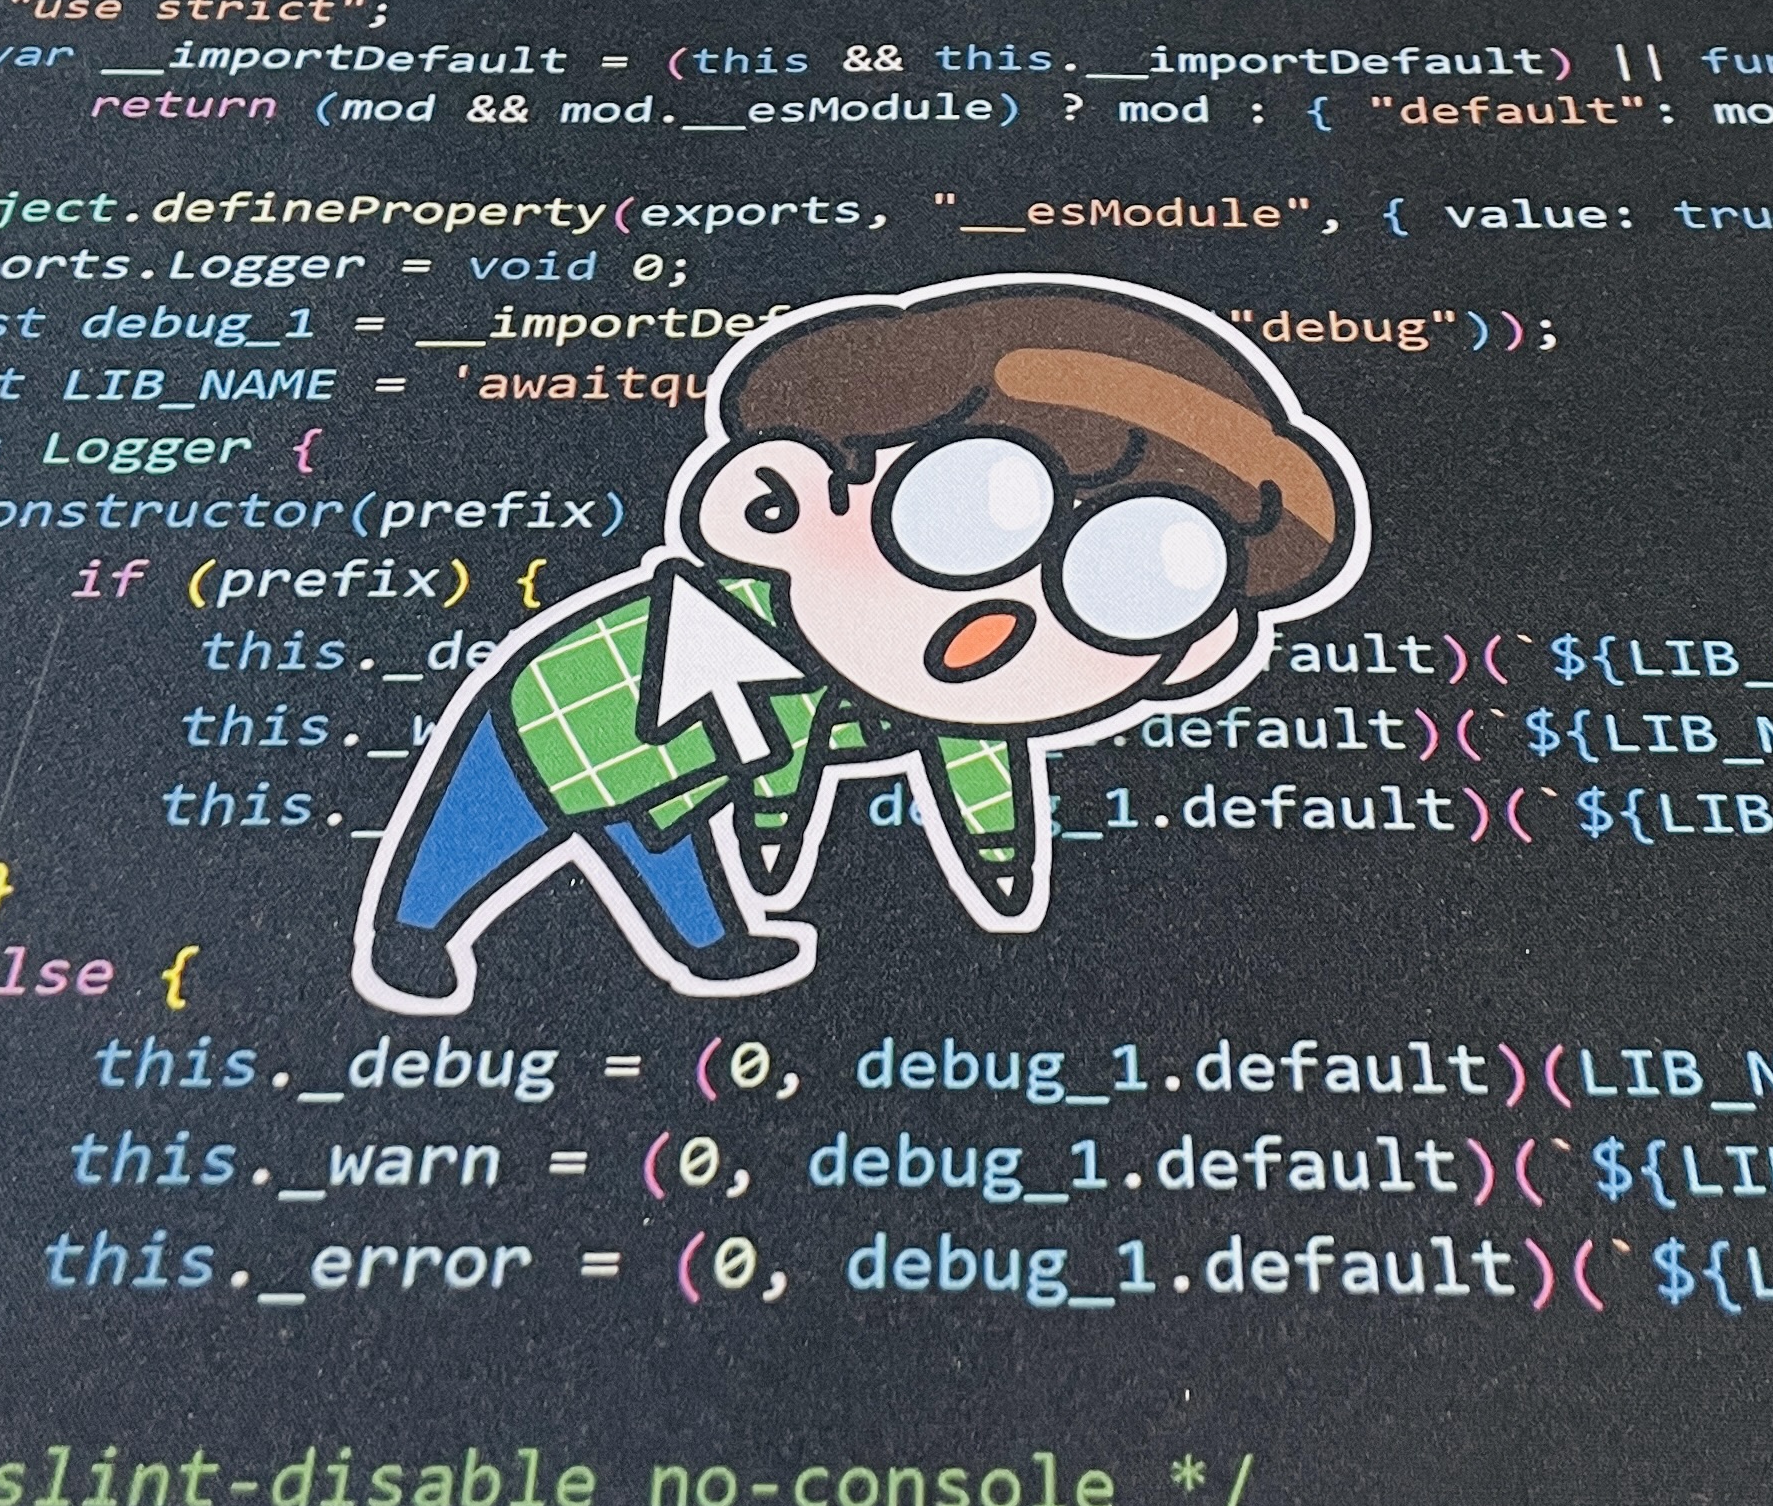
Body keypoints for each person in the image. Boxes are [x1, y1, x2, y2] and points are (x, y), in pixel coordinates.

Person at [353, 276, 1367, 1012]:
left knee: (667, 845)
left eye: (1143, 576)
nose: (1013, 612)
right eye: (961, 512)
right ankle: (414, 932)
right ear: (774, 502)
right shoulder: (707, 639)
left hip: (693, 764)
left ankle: (709, 945)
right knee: (490, 828)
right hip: (568, 711)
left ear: (1196, 643)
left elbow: (968, 744)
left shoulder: (909, 689)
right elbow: (801, 754)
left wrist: (1001, 861)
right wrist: (780, 833)